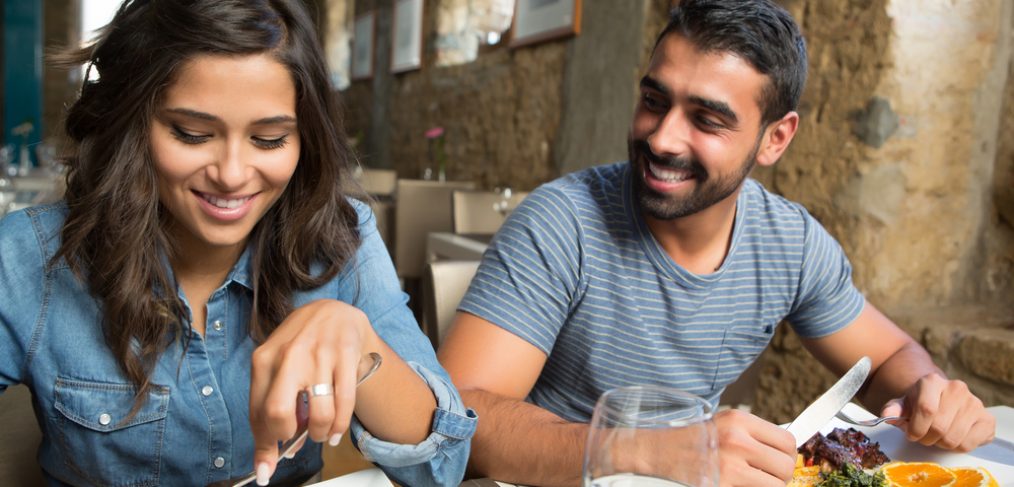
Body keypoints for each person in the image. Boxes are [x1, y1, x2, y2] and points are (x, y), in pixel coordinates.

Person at [437, 1, 996, 485]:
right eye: (655, 101)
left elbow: (888, 360)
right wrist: (658, 453)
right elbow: (458, 418)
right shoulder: (562, 222)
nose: (661, 137)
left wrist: (929, 393)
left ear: (775, 139)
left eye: (706, 120)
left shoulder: (791, 243)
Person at [0, 1, 475, 486]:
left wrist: (361, 346)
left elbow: (443, 467)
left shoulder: (341, 240)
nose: (231, 175)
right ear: (133, 124)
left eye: (269, 140)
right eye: (192, 134)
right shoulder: (27, 256)